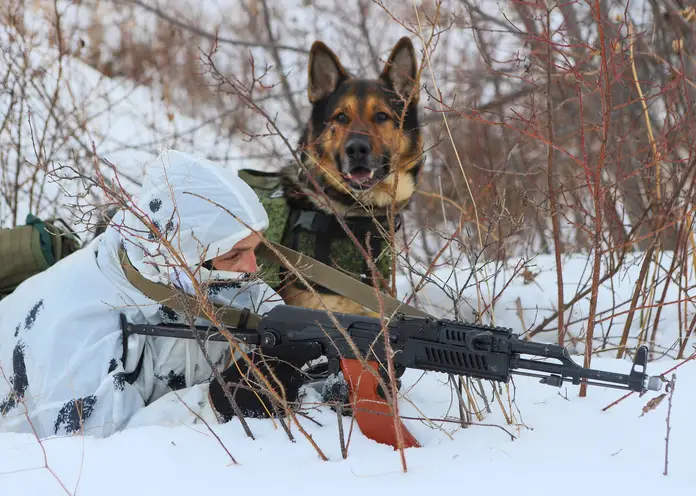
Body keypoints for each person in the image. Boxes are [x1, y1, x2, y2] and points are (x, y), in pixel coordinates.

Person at [0, 149, 321, 438]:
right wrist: (216, 403)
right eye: (235, 254)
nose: (251, 268)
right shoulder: (82, 329)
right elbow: (92, 456)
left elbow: (267, 317)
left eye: (254, 249)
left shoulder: (196, 266)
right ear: (182, 255)